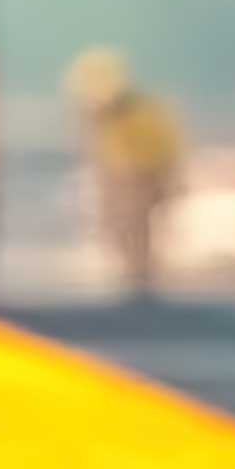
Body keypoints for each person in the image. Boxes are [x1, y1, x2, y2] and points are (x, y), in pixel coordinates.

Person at [67, 46, 183, 301]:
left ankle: (139, 278)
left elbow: (165, 147)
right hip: (120, 174)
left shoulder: (141, 111)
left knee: (134, 226)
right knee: (120, 226)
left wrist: (166, 180)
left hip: (140, 175)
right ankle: (136, 277)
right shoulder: (104, 114)